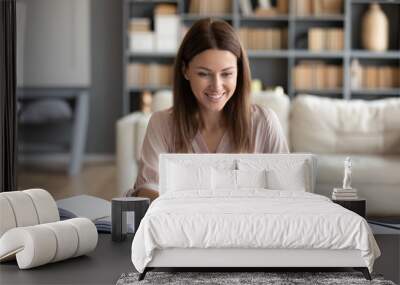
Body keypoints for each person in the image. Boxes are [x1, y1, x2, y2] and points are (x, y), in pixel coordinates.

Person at [128, 18, 289, 201]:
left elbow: (287, 191)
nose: (217, 86)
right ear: (185, 71)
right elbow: (147, 188)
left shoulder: (264, 123)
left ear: (239, 72)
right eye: (204, 74)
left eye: (227, 74)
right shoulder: (162, 124)